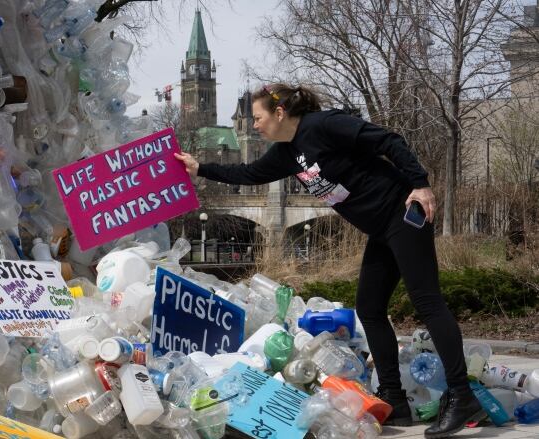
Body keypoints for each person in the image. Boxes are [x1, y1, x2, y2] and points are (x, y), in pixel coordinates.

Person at [175, 84, 485, 438]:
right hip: (380, 230)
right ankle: (395, 399)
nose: (255, 125)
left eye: (258, 117)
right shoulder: (287, 153)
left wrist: (421, 184)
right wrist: (199, 168)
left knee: (428, 302)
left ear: (279, 113)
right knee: (369, 309)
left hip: (402, 214)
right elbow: (247, 173)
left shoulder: (323, 125)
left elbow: (389, 140)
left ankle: (463, 396)